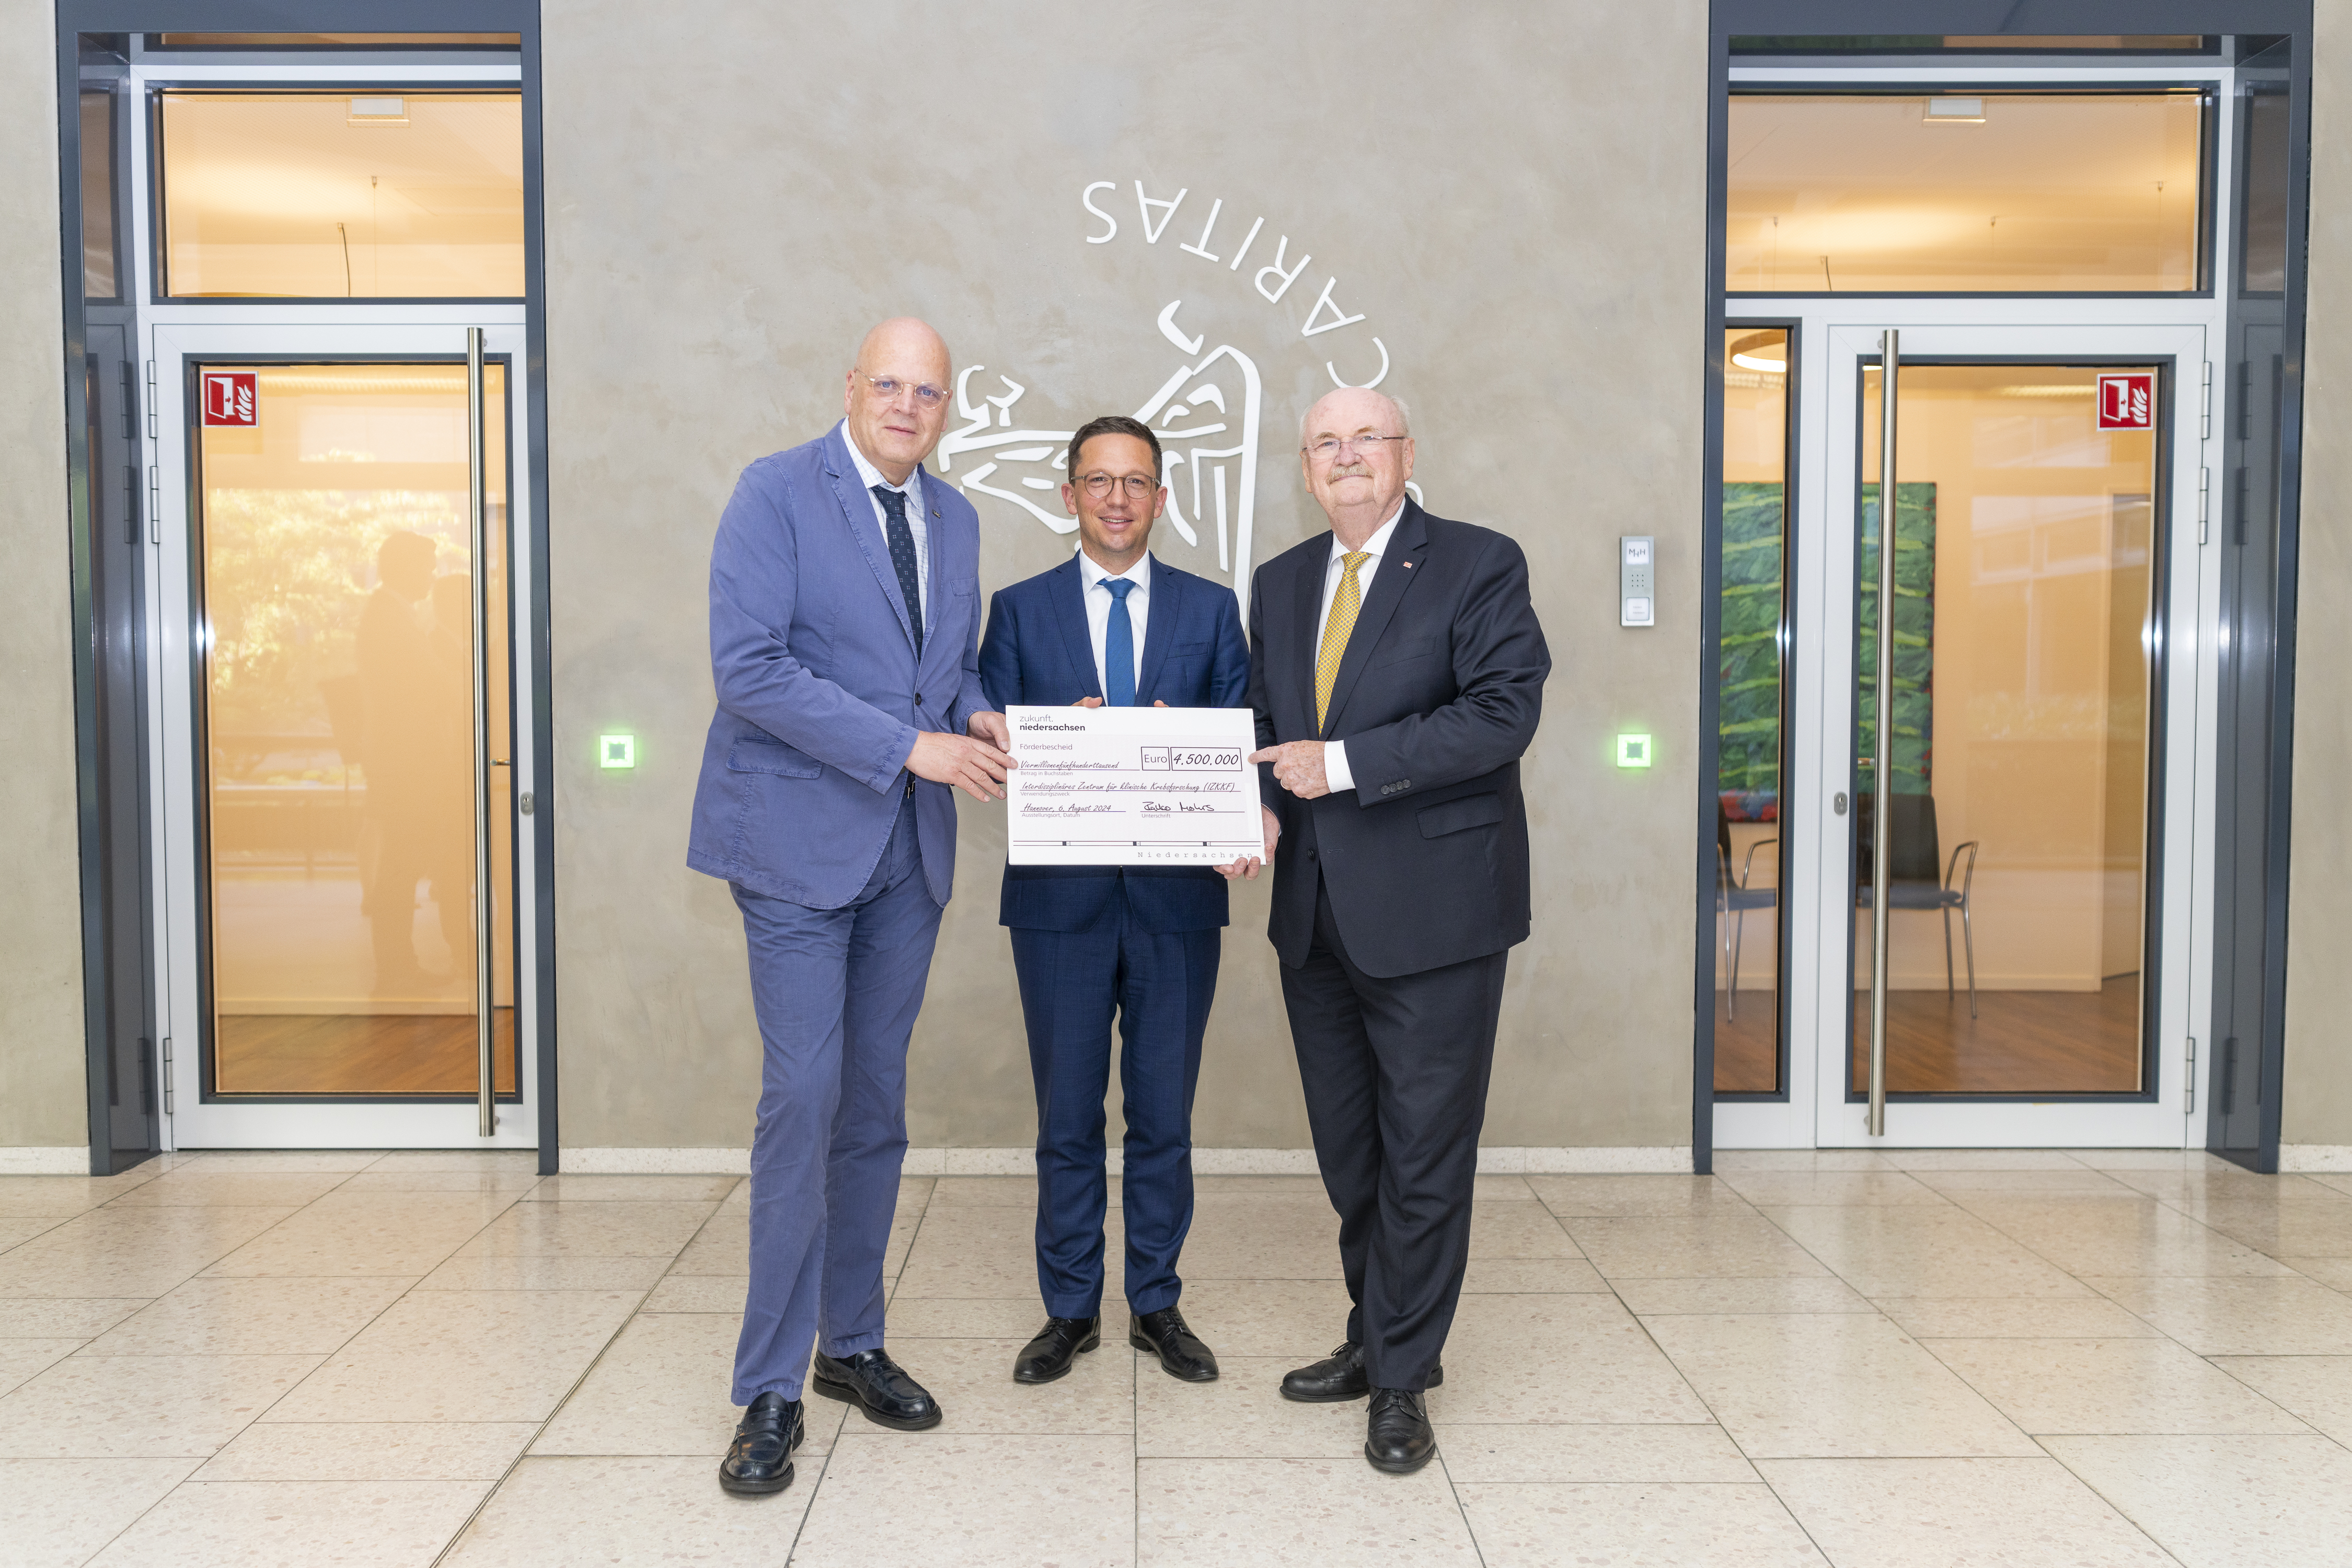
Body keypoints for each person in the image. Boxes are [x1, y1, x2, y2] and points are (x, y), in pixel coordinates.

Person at [687, 318, 1017, 1496]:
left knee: (875, 1104)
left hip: (906, 858)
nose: (908, 405)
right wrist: (911, 749)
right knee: (805, 1097)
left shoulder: (960, 517)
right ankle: (769, 1386)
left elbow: (947, 668)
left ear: (947, 406)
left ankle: (852, 1344)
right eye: (890, 384)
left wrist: (980, 716)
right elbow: (752, 670)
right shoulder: (775, 492)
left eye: (929, 392)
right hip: (791, 844)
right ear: (852, 389)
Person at [1228, 388, 1549, 1474]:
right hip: (1315, 918)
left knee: (1425, 1152)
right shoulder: (1278, 582)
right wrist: (1260, 806)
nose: (1348, 456)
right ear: (1306, 467)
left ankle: (1402, 1376)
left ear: (1408, 453)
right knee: (1353, 1151)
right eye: (1328, 443)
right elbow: (1270, 730)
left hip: (1438, 913)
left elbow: (1506, 711)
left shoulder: (1477, 561)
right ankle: (1379, 1332)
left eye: (1368, 438)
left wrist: (1348, 765)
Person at [976, 414, 1250, 1388]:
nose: (1119, 499)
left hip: (1179, 904)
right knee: (1066, 1117)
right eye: (1099, 481)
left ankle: (1157, 1304)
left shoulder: (1213, 611)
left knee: (1164, 1115)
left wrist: (1209, 772)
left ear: (1162, 498)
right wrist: (1048, 736)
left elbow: (1238, 744)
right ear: (1070, 496)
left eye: (1137, 482)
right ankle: (1067, 1310)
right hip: (1059, 904)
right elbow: (992, 736)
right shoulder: (1017, 611)